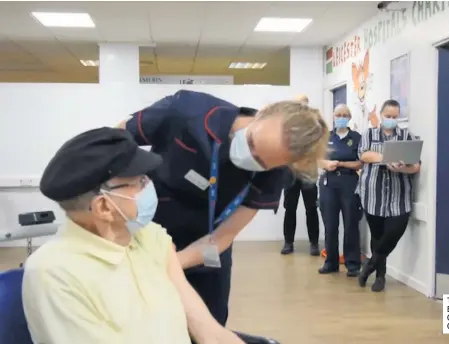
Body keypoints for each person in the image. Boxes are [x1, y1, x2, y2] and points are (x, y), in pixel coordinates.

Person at [117, 90, 329, 325]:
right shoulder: (187, 110)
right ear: (262, 113)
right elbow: (116, 141)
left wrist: (170, 264)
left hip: (207, 248)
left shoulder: (277, 173)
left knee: (207, 323)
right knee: (142, 322)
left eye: (261, 162)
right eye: (251, 142)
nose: (249, 155)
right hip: (145, 234)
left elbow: (223, 236)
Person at [22, 127, 243, 344]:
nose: (149, 186)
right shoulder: (54, 274)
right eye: (139, 182)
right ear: (103, 207)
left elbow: (207, 331)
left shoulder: (150, 237)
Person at [356, 100, 420, 292]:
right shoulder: (369, 134)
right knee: (377, 236)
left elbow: (415, 166)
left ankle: (370, 264)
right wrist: (387, 158)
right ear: (382, 115)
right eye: (388, 116)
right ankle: (380, 277)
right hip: (373, 194)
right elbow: (364, 155)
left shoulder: (406, 136)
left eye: (394, 116)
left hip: (398, 196)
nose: (391, 120)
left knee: (393, 233)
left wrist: (402, 168)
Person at [317, 104, 363, 276]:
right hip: (329, 183)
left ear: (349, 117)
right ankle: (331, 262)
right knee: (330, 224)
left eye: (345, 114)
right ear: (333, 116)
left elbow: (361, 162)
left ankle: (352, 264)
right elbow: (317, 158)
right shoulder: (326, 137)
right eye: (338, 114)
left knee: (351, 223)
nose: (341, 117)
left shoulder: (356, 137)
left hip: (349, 182)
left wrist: (342, 164)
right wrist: (326, 164)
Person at [281, 94, 320, 256]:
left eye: (304, 104)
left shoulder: (316, 124)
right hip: (290, 173)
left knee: (311, 209)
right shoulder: (286, 125)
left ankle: (314, 243)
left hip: (309, 172)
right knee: (290, 208)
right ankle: (288, 242)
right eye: (298, 105)